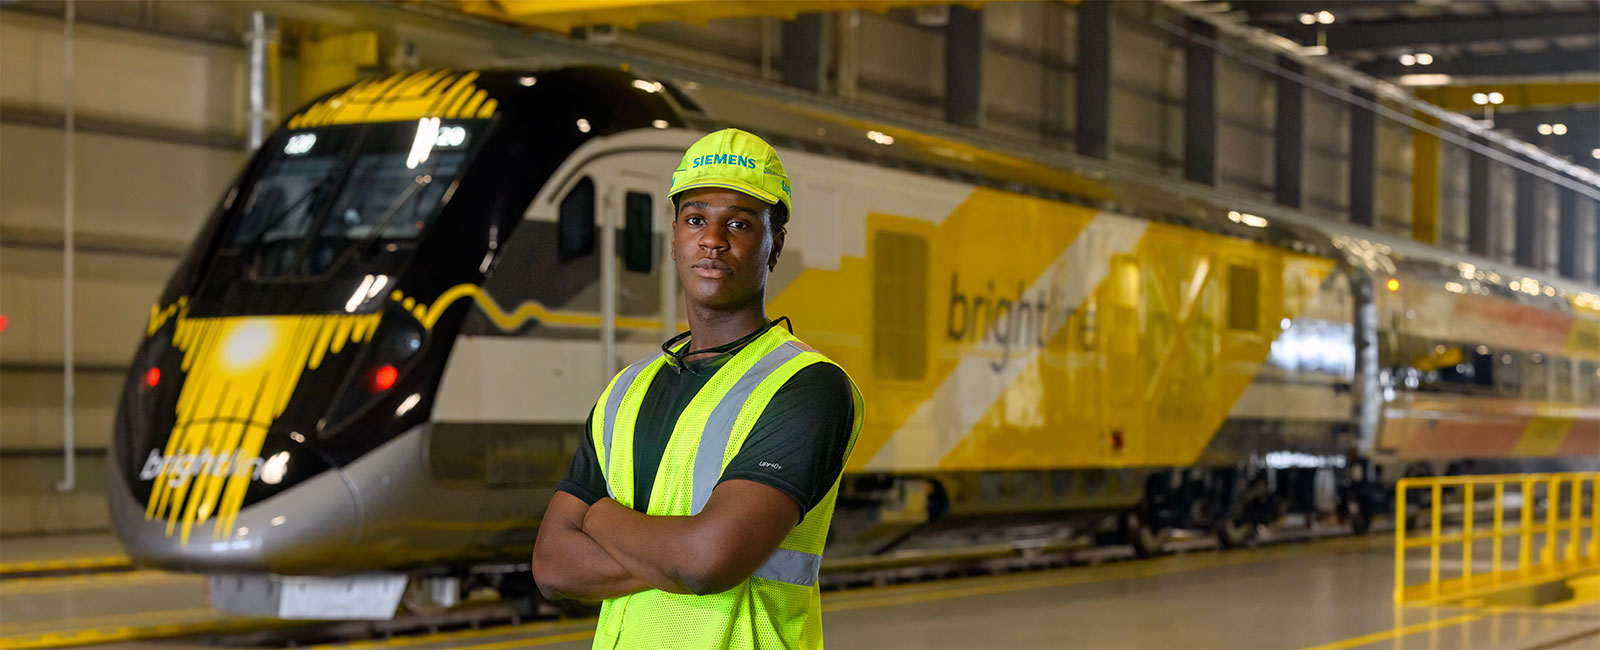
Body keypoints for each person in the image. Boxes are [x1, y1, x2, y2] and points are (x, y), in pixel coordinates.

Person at [531, 128, 862, 650]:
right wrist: (678, 553)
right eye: (695, 219)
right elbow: (552, 565)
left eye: (739, 222)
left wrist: (598, 516)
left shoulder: (806, 387)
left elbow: (708, 561)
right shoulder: (626, 392)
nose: (713, 238)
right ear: (674, 239)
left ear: (774, 245)